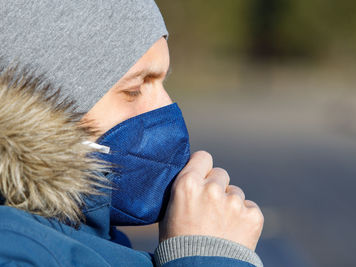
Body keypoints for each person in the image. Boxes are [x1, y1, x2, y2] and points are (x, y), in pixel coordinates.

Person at [0, 1, 264, 266]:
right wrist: (207, 254)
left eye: (163, 82)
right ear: (38, 104)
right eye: (134, 89)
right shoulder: (14, 252)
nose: (166, 108)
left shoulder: (98, 239)